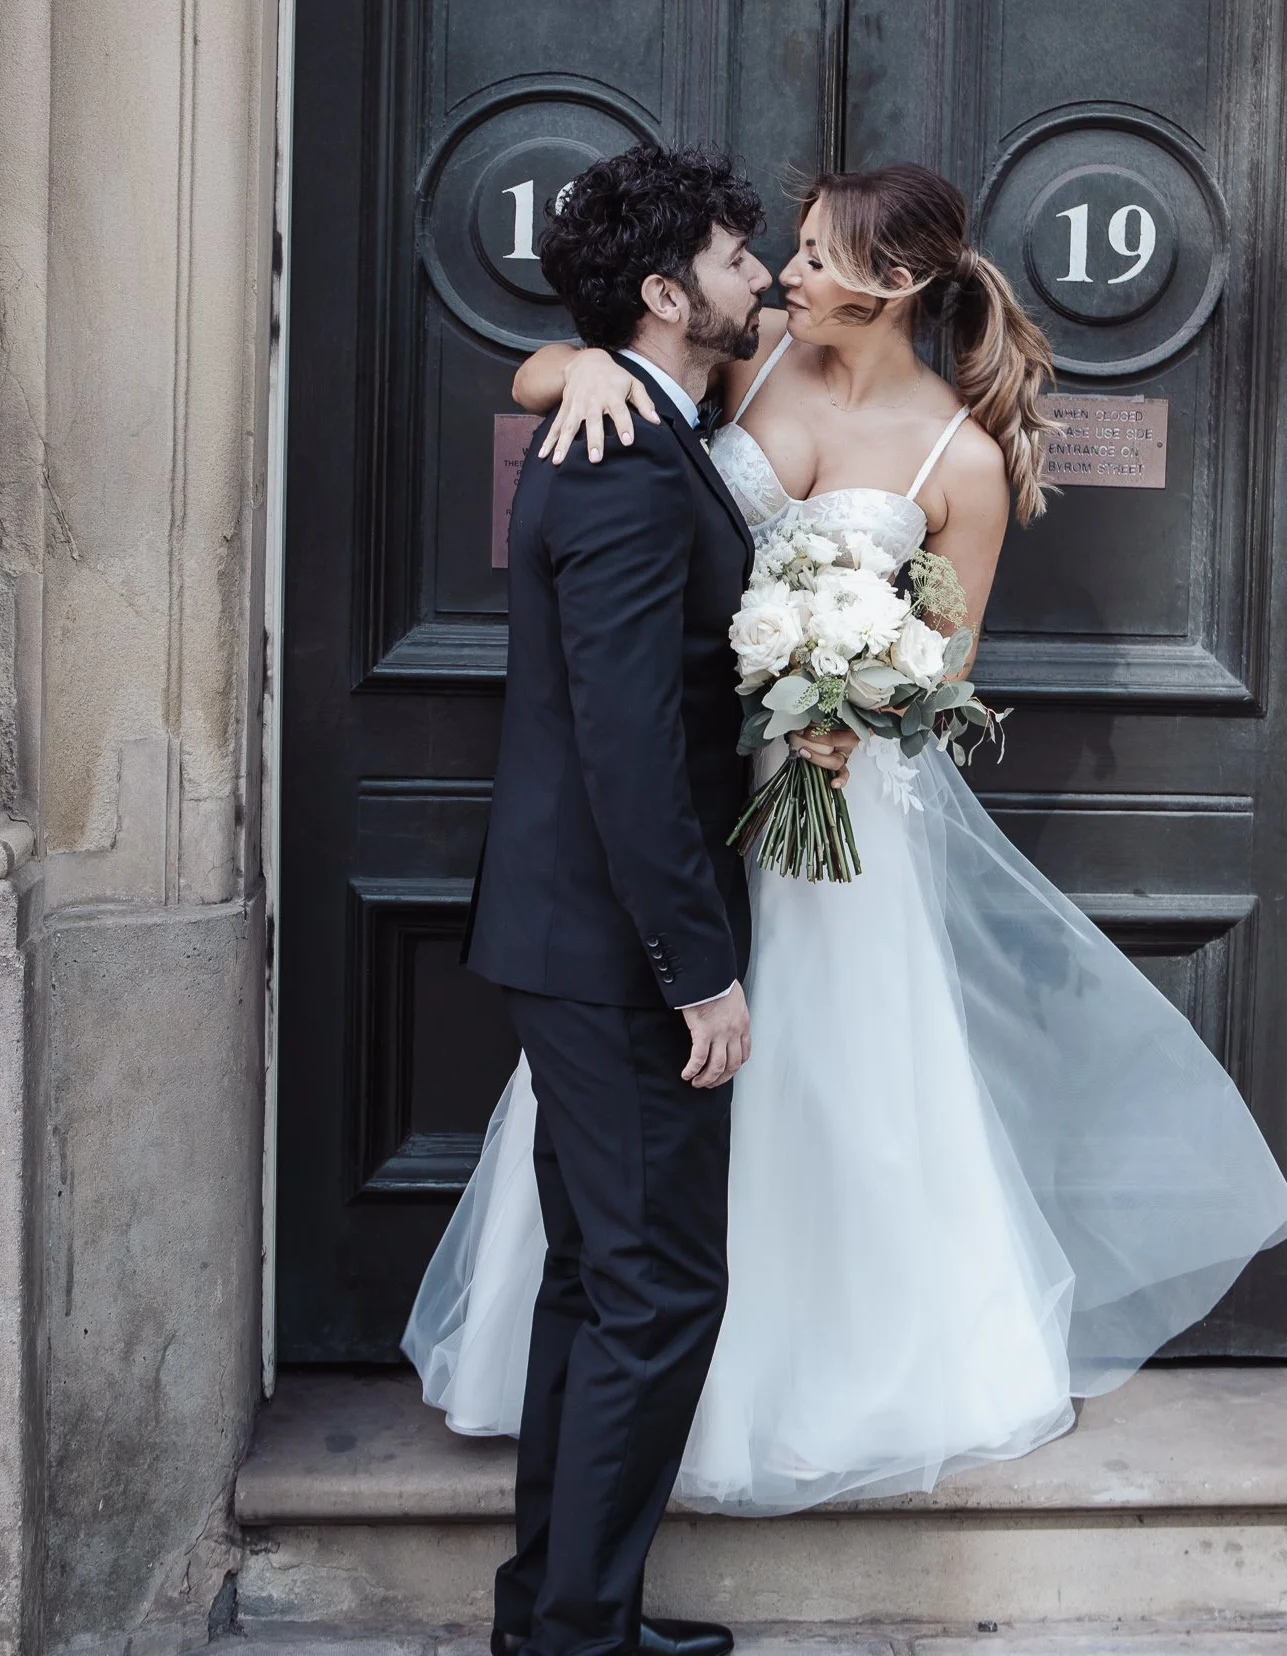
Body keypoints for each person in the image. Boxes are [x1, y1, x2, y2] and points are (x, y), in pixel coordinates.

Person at [406, 160, 1287, 1521]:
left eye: (816, 254)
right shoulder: (749, 358)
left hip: (826, 828)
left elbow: (949, 670)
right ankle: (620, 1422)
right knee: (651, 1115)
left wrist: (862, 706)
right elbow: (600, 376)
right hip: (678, 801)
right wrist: (565, 376)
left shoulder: (963, 458)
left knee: (822, 1094)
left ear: (892, 284)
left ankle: (804, 1389)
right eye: (785, 252)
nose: (784, 273)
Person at [453, 144, 771, 1656]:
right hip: (616, 947)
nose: (759, 277)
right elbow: (629, 750)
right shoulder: (628, 457)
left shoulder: (636, 421)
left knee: (600, 1286)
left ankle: (565, 1618)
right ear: (665, 292)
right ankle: (575, 1634)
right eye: (730, 259)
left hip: (574, 936)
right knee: (657, 1295)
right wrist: (698, 972)